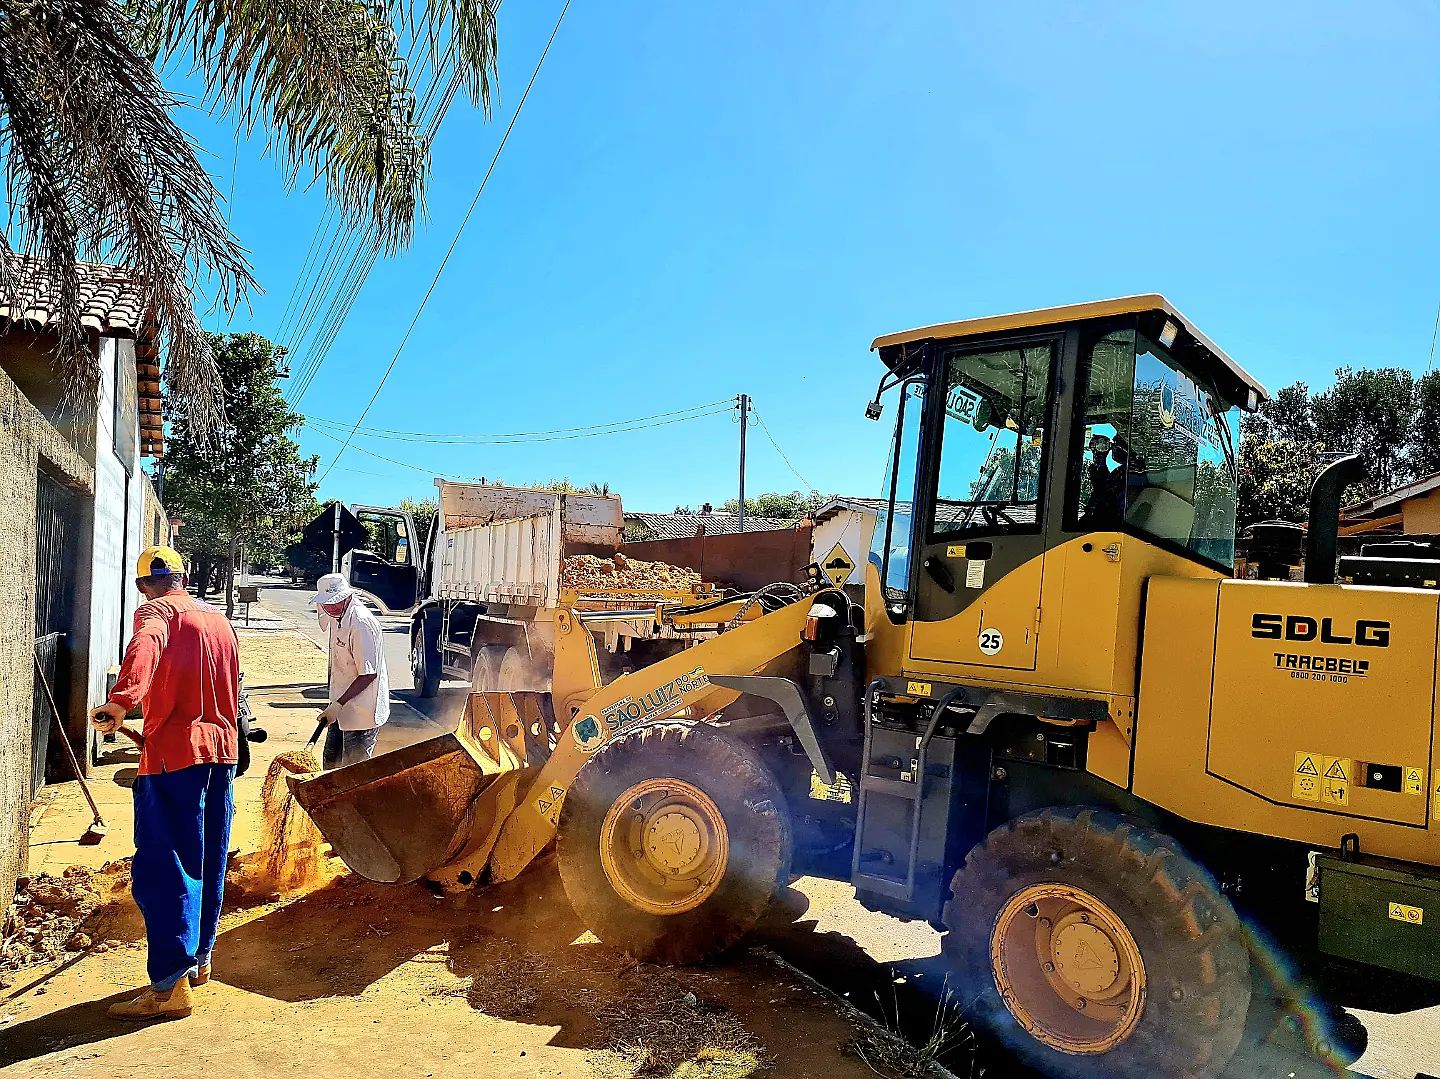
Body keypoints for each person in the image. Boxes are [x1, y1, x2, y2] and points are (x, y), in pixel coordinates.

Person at [91, 546, 240, 1021]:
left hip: (175, 757)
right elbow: (232, 686)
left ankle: (169, 987)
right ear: (183, 575)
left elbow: (145, 649)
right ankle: (199, 960)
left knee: (166, 865)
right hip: (222, 753)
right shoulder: (219, 622)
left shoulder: (154, 613)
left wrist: (120, 703)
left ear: (142, 586)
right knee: (209, 857)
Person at [311, 573, 389, 769]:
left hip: (362, 711)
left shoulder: (361, 623)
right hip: (340, 706)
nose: (331, 607)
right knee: (330, 765)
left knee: (352, 773)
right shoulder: (335, 615)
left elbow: (368, 673)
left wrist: (338, 704)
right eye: (327, 604)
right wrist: (335, 705)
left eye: (336, 602)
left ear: (347, 597)